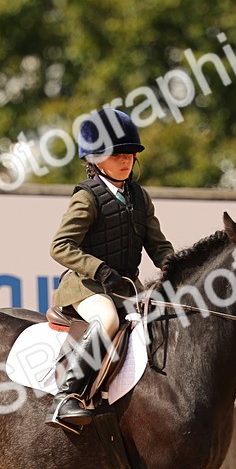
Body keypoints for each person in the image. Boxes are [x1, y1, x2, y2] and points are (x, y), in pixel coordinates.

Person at [46, 108, 176, 431]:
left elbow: (158, 246)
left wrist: (177, 269)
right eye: (117, 154)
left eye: (130, 153)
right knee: (107, 320)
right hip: (87, 286)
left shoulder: (140, 198)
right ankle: (67, 396)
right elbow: (60, 246)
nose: (126, 159)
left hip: (125, 287)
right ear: (95, 159)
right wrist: (100, 269)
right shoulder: (87, 198)